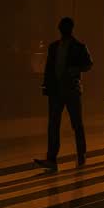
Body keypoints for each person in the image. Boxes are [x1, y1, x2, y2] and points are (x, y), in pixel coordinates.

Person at [35, 17, 93, 171]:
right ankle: (72, 156)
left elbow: (88, 64)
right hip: (63, 90)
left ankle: (58, 158)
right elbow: (88, 64)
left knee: (65, 123)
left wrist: (75, 70)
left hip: (66, 90)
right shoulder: (74, 46)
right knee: (67, 124)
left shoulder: (70, 46)